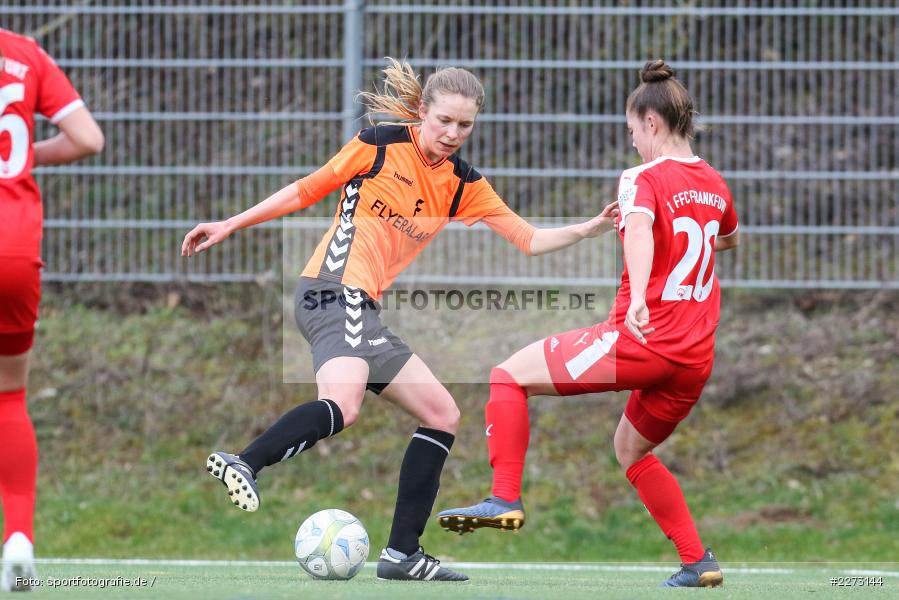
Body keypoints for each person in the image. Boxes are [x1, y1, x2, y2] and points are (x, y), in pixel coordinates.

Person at [181, 57, 618, 582]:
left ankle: (402, 554)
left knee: (441, 413)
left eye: (465, 125)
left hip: (361, 308)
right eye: (444, 121)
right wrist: (231, 223)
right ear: (422, 112)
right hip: (333, 288)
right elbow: (306, 189)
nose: (453, 133)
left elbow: (528, 239)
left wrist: (588, 229)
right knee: (345, 405)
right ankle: (246, 462)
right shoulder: (380, 144)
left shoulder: (463, 184)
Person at [438, 59, 739, 588]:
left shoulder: (641, 177)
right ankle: (698, 562)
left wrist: (641, 294)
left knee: (507, 376)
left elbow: (640, 231)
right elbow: (728, 238)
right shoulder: (714, 182)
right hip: (694, 358)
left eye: (632, 130)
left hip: (641, 340)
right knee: (631, 450)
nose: (632, 142)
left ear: (651, 122)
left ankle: (504, 497)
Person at [0, 28, 105, 592]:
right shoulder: (25, 53)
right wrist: (20, 158)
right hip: (14, 249)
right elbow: (88, 139)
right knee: (9, 396)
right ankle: (18, 537)